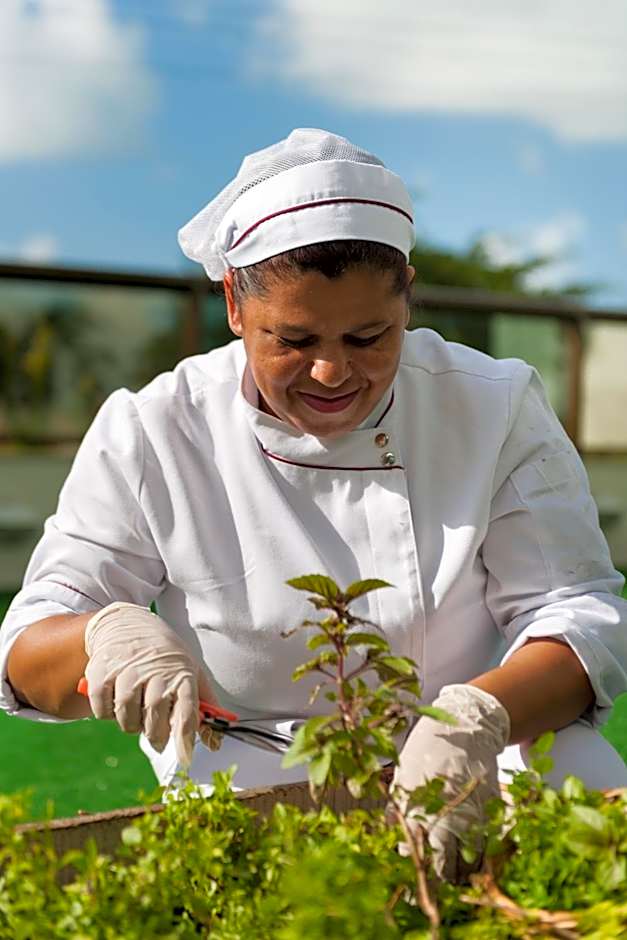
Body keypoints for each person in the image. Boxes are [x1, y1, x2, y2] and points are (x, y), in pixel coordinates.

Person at [2, 129, 626, 879]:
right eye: (292, 340)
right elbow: (24, 652)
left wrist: (475, 720)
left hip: (495, 748)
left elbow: (577, 613)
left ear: (408, 296)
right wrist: (104, 633)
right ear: (234, 303)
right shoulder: (156, 428)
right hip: (251, 762)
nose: (332, 371)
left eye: (369, 336)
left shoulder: (490, 404)